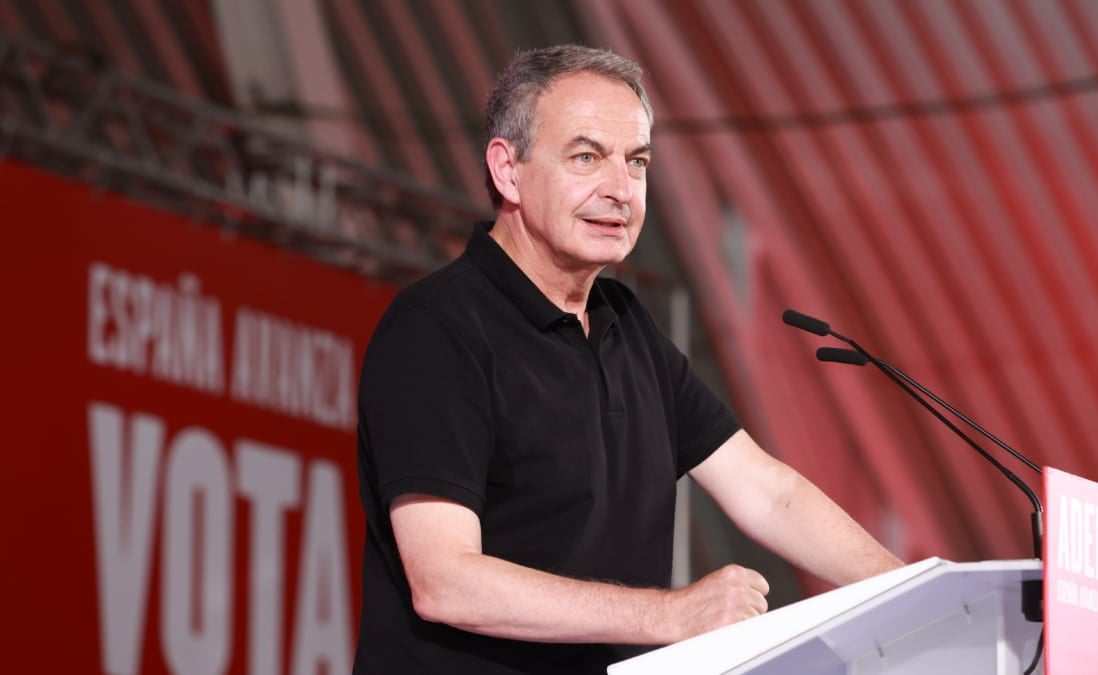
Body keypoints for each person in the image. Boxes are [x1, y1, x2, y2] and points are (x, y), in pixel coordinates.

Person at [352, 44, 903, 674]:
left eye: (636, 162)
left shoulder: (629, 327)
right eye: (586, 157)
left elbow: (769, 495)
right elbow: (446, 582)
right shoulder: (438, 328)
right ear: (508, 171)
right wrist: (670, 615)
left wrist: (921, 590)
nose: (619, 189)